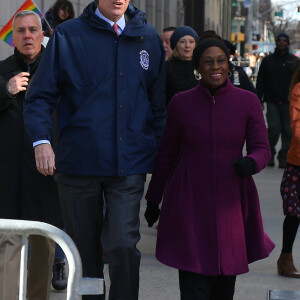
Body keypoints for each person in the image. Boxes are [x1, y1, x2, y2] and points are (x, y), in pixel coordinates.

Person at [23, 1, 166, 299]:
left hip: (128, 165)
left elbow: (157, 104)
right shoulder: (68, 36)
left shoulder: (147, 37)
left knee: (123, 245)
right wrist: (41, 141)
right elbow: (39, 97)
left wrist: (159, 153)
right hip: (78, 164)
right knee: (83, 253)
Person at [144, 34, 275, 300]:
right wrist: (154, 199)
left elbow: (263, 148)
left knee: (224, 284)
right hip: (190, 198)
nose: (215, 67)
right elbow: (167, 154)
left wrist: (251, 163)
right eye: (208, 62)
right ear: (198, 68)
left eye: (221, 61)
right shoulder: (181, 103)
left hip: (232, 199)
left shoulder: (247, 101)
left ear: (229, 64)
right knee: (193, 280)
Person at [0, 10, 64, 300]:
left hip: (45, 175)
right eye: (21, 31)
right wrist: (5, 90)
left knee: (42, 247)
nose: (27, 35)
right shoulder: (1, 71)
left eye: (33, 30)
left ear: (42, 35)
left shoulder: (58, 72)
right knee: (7, 248)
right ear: (12, 38)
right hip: (7, 177)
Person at [256, 33, 300, 168]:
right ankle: (269, 154)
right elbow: (260, 81)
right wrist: (259, 99)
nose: (282, 43)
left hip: (289, 102)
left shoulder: (294, 61)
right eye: (279, 40)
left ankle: (284, 157)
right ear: (276, 42)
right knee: (274, 129)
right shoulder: (268, 61)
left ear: (288, 43)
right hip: (272, 101)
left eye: (284, 41)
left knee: (288, 131)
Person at [278, 65, 300, 278]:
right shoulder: (299, 90)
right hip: (298, 161)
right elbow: (297, 126)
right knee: (294, 212)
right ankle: (285, 257)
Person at [165, 25, 199, 106]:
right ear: (176, 45)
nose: (187, 46)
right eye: (182, 42)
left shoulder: (201, 66)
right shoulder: (166, 68)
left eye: (191, 42)